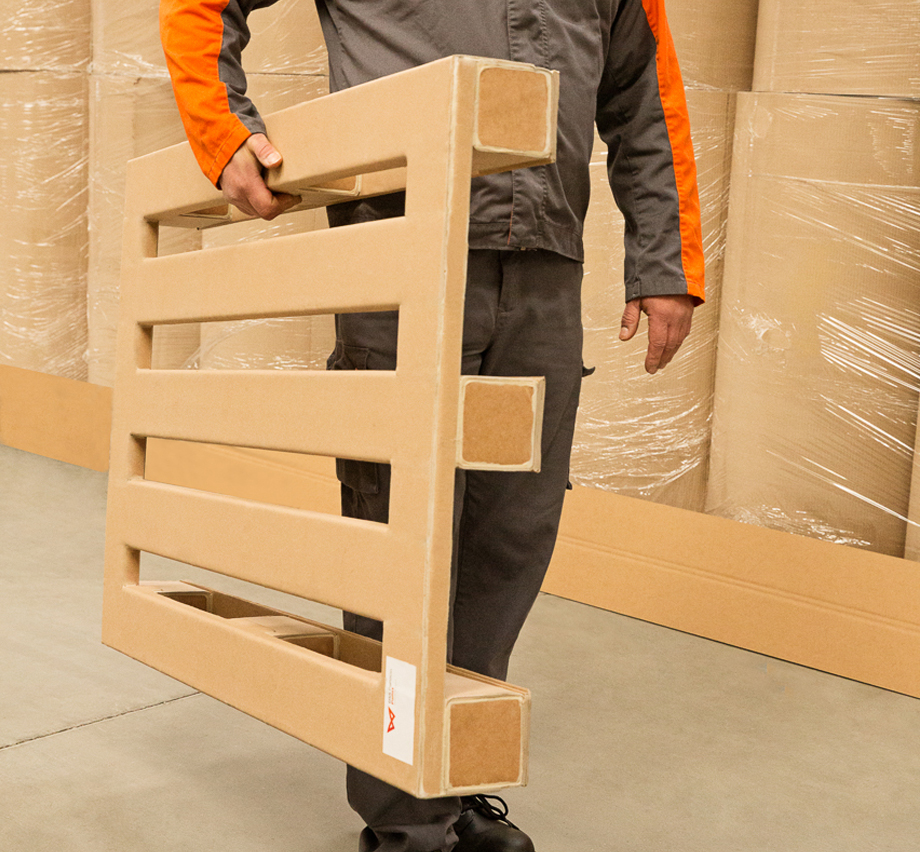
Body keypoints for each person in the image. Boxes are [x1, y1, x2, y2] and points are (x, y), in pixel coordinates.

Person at [160, 2, 704, 850]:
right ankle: (406, 820)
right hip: (402, 249)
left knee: (508, 538)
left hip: (545, 265)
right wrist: (223, 130)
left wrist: (664, 258)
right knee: (400, 542)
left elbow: (643, 92)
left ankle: (450, 776)